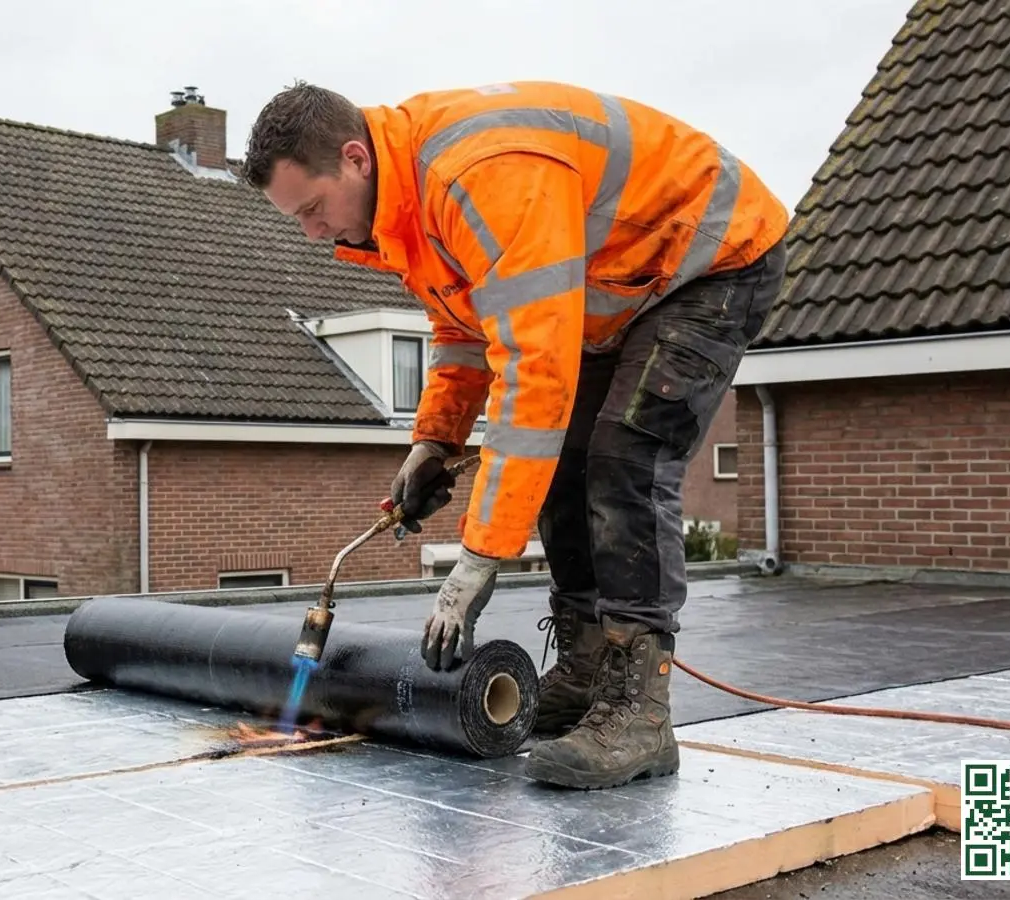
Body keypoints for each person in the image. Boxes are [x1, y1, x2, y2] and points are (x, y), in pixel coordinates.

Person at [242, 79, 788, 790]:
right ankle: (590, 671)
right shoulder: (408, 208)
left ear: (355, 159)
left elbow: (534, 375)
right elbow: (466, 331)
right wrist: (435, 441)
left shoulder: (480, 176)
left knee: (624, 455)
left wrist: (477, 558)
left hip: (710, 258)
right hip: (621, 285)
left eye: (312, 209)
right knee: (565, 460)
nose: (311, 232)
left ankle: (639, 711)